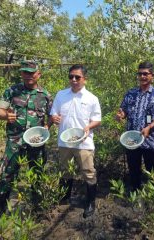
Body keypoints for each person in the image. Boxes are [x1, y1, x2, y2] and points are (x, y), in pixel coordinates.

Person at [0, 60, 53, 214]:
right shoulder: (12, 91)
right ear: (21, 73)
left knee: (37, 173)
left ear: (38, 74)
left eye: (31, 73)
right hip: (15, 140)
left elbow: (51, 116)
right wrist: (6, 116)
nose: (28, 76)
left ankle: (37, 209)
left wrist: (48, 126)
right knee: (7, 174)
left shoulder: (45, 95)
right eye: (25, 72)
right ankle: (1, 209)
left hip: (36, 142)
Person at [50, 64, 101, 218]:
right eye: (71, 76)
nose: (73, 80)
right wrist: (54, 117)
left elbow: (97, 119)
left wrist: (88, 127)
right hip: (64, 141)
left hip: (84, 142)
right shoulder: (61, 95)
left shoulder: (91, 98)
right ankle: (64, 197)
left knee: (88, 172)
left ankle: (90, 202)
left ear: (85, 79)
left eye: (77, 77)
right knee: (65, 170)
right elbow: (53, 113)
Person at [116, 61, 154, 191]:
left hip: (149, 139)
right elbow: (124, 110)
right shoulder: (131, 93)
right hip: (132, 139)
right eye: (140, 74)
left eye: (145, 74)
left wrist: (149, 127)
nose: (142, 77)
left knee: (152, 167)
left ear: (152, 75)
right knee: (133, 167)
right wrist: (121, 115)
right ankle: (135, 190)